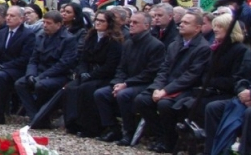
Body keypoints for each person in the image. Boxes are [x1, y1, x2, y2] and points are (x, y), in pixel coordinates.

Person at [133, 11, 211, 152]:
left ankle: (170, 141)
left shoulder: (203, 48)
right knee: (141, 100)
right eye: (181, 22)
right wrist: (157, 87)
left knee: (165, 105)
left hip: (186, 90)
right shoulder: (175, 44)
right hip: (166, 86)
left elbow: (190, 76)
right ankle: (160, 135)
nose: (181, 25)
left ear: (197, 28)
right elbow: (164, 69)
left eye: (186, 23)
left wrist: (165, 91)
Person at [94, 11, 166, 145]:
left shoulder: (156, 46)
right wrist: (118, 82)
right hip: (127, 83)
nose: (131, 25)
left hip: (144, 84)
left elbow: (150, 73)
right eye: (130, 22)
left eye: (135, 23)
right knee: (101, 94)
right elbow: (121, 67)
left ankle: (129, 132)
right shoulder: (128, 43)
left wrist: (126, 84)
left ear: (146, 26)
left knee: (123, 95)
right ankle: (113, 128)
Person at [63, 9, 122, 137]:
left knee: (87, 89)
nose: (98, 23)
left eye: (102, 21)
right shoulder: (91, 36)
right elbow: (83, 58)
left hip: (104, 76)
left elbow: (110, 66)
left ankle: (90, 127)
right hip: (88, 73)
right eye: (97, 20)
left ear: (109, 23)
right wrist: (83, 72)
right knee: (71, 87)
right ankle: (73, 123)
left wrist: (92, 75)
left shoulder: (114, 41)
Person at [14, 11, 78, 124]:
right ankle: (35, 116)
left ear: (58, 25)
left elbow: (63, 64)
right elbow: (33, 59)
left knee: (41, 86)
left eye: (49, 23)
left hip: (58, 75)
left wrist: (43, 76)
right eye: (44, 22)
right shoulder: (41, 36)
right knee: (20, 83)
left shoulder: (68, 39)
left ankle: (42, 116)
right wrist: (31, 74)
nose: (45, 25)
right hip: (40, 72)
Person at [0, 6, 36, 125]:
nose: (8, 18)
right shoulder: (2, 32)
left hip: (17, 69)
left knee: (0, 76)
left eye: (12, 16)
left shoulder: (28, 34)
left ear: (21, 19)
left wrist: (5, 66)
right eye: (7, 15)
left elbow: (25, 58)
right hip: (1, 67)